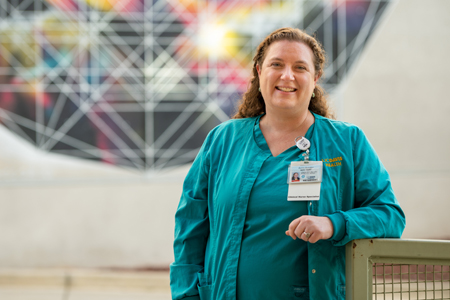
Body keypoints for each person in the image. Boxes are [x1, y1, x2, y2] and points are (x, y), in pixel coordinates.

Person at [170, 27, 405, 300]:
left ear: (315, 78)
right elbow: (190, 230)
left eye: (300, 67)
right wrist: (187, 295)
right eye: (276, 64)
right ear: (259, 71)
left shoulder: (347, 142)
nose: (287, 76)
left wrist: (334, 224)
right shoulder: (222, 141)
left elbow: (390, 216)